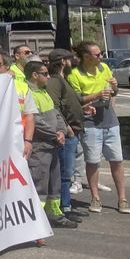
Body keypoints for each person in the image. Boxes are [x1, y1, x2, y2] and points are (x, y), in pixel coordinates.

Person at [67, 40, 128, 214]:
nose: (101, 56)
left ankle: (122, 199)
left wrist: (115, 88)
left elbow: (113, 92)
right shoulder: (75, 74)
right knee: (93, 161)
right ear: (86, 56)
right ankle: (95, 197)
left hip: (110, 120)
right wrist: (97, 94)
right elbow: (76, 99)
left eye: (100, 53)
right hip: (90, 122)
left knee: (117, 160)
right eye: (97, 54)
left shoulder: (104, 69)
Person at [22, 61, 78, 229]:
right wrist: (55, 134)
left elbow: (56, 114)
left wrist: (61, 131)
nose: (48, 77)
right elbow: (36, 122)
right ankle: (36, 221)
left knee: (54, 182)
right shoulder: (28, 92)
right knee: (40, 183)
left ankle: (54, 214)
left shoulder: (43, 92)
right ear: (34, 75)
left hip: (53, 144)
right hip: (40, 147)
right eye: (45, 74)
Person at [45, 49, 89, 220]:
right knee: (64, 173)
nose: (74, 61)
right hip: (67, 133)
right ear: (63, 61)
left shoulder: (63, 79)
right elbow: (54, 106)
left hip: (73, 131)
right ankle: (64, 207)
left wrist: (83, 109)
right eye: (71, 59)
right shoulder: (55, 81)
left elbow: (66, 104)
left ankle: (67, 205)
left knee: (67, 173)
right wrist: (66, 127)